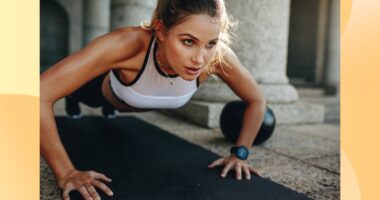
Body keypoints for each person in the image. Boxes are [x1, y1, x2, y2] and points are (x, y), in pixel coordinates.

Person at [40, 0, 266, 199]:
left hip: (130, 100)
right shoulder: (127, 44)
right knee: (81, 93)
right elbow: (37, 95)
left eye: (210, 43)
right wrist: (67, 173)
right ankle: (72, 96)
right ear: (160, 30)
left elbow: (257, 100)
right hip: (102, 91)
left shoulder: (217, 58)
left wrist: (240, 153)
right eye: (188, 41)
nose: (200, 59)